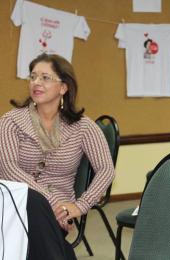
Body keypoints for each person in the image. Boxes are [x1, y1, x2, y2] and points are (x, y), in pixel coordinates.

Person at [0, 53, 115, 259]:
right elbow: (8, 167)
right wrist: (52, 202)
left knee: (38, 233)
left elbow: (106, 169)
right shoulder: (10, 121)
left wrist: (79, 206)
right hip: (12, 206)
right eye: (33, 76)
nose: (36, 82)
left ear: (63, 87)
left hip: (58, 214)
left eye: (45, 77)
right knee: (34, 203)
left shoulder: (83, 127)